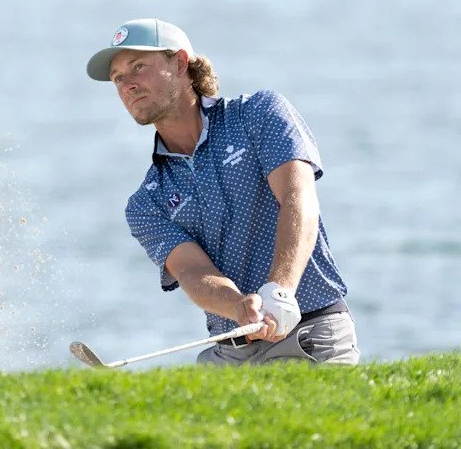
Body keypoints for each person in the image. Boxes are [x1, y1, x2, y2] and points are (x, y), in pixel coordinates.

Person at [86, 18, 359, 365]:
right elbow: (193, 272)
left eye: (139, 67)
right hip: (232, 354)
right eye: (118, 78)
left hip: (311, 334)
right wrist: (239, 307)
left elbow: (298, 200)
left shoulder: (259, 114)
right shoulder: (146, 203)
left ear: (180, 63)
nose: (128, 85)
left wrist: (279, 292)